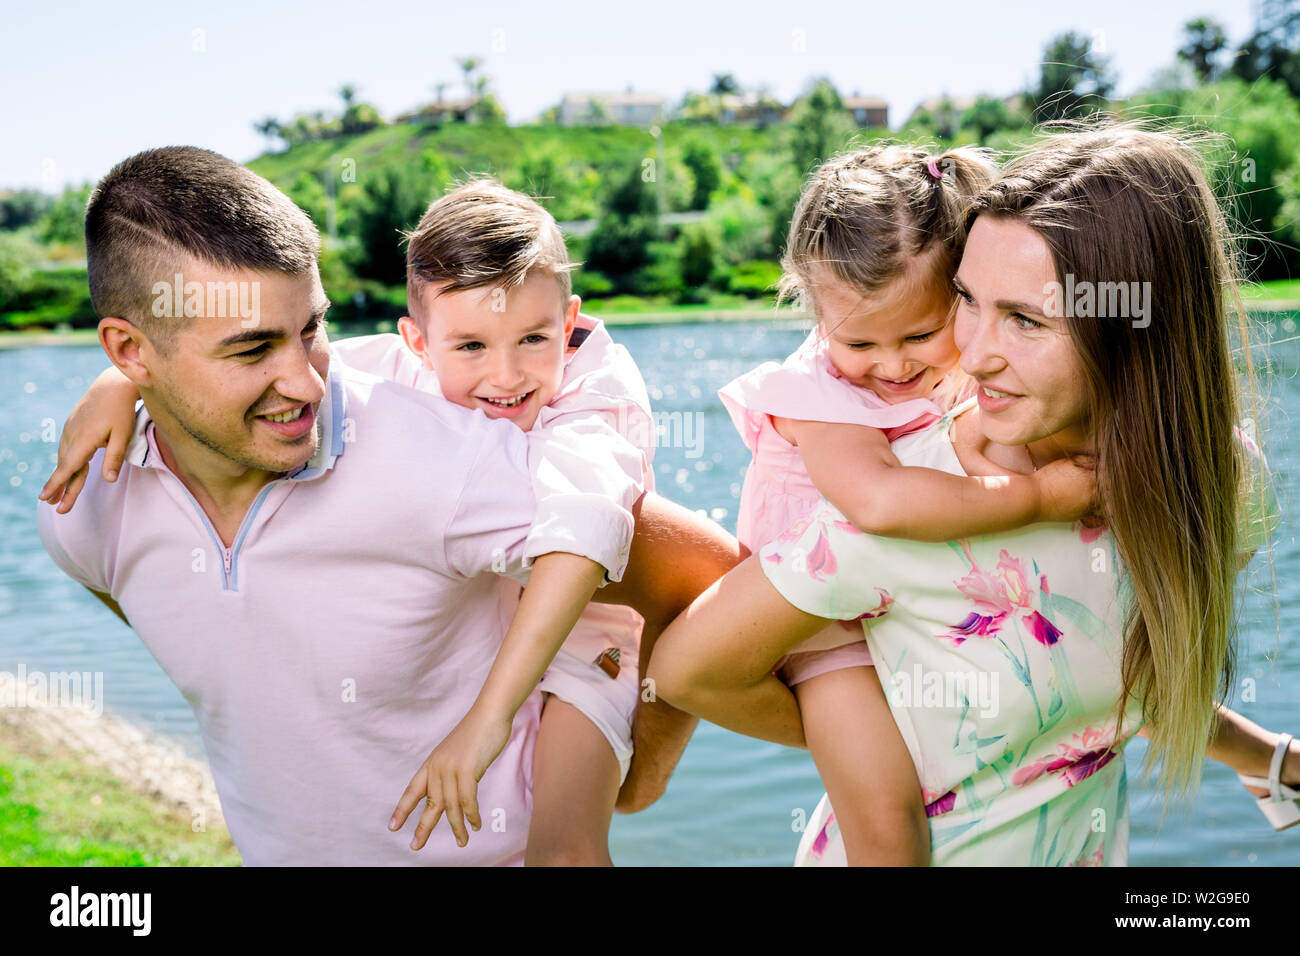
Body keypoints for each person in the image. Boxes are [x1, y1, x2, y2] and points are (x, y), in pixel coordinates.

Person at [37, 146, 736, 865]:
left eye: (311, 329)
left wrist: (633, 765)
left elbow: (703, 578)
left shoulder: (465, 456)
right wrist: (116, 388)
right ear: (129, 350)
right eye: (252, 351)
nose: (307, 384)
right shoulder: (85, 509)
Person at [648, 123, 1300, 865]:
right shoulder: (898, 511)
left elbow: (1105, 681)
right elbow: (687, 670)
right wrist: (882, 733)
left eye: (1024, 319)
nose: (976, 352)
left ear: (1139, 328)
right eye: (968, 300)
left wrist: (1268, 757)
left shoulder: (1223, 483)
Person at [715, 145, 1097, 863]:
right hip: (824, 630)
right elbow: (882, 503)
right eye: (858, 341)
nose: (892, 367)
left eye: (921, 334)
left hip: (908, 607)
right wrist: (1040, 496)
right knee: (889, 821)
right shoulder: (817, 396)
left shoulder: (954, 372)